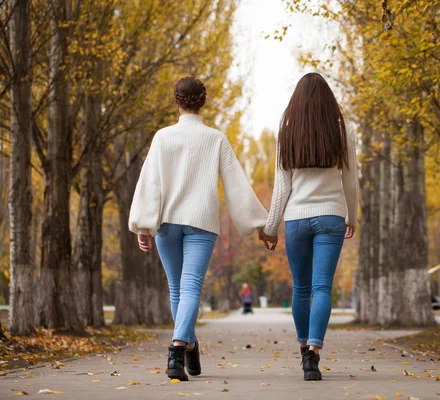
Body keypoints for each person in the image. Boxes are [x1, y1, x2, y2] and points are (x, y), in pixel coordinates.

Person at [129, 77, 267, 381]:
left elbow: (150, 182)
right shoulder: (215, 138)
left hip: (166, 222)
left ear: (176, 101)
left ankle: (184, 346)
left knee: (177, 288)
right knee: (190, 286)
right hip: (202, 222)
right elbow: (237, 185)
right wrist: (259, 223)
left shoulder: (163, 137)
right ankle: (182, 345)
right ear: (203, 101)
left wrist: (143, 225)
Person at [258, 72, 359, 381]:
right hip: (331, 217)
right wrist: (352, 217)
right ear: (329, 100)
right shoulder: (344, 131)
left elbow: (281, 186)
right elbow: (350, 180)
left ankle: (304, 351)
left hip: (297, 219)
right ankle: (314, 352)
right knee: (321, 288)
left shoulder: (287, 131)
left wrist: (270, 227)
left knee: (301, 289)